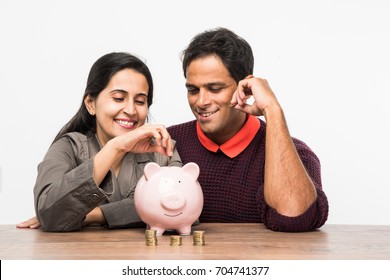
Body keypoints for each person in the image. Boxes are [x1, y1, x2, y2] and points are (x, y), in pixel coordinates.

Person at [167, 27, 329, 232]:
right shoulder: (168, 142)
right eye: (193, 90)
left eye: (215, 89)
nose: (201, 101)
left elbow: (294, 219)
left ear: (244, 86)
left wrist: (272, 109)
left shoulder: (297, 154)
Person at [17, 52, 181, 232]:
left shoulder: (162, 149)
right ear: (91, 103)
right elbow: (50, 214)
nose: (131, 110)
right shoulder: (68, 147)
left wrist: (92, 215)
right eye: (119, 98)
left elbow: (183, 209)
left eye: (140, 101)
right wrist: (115, 148)